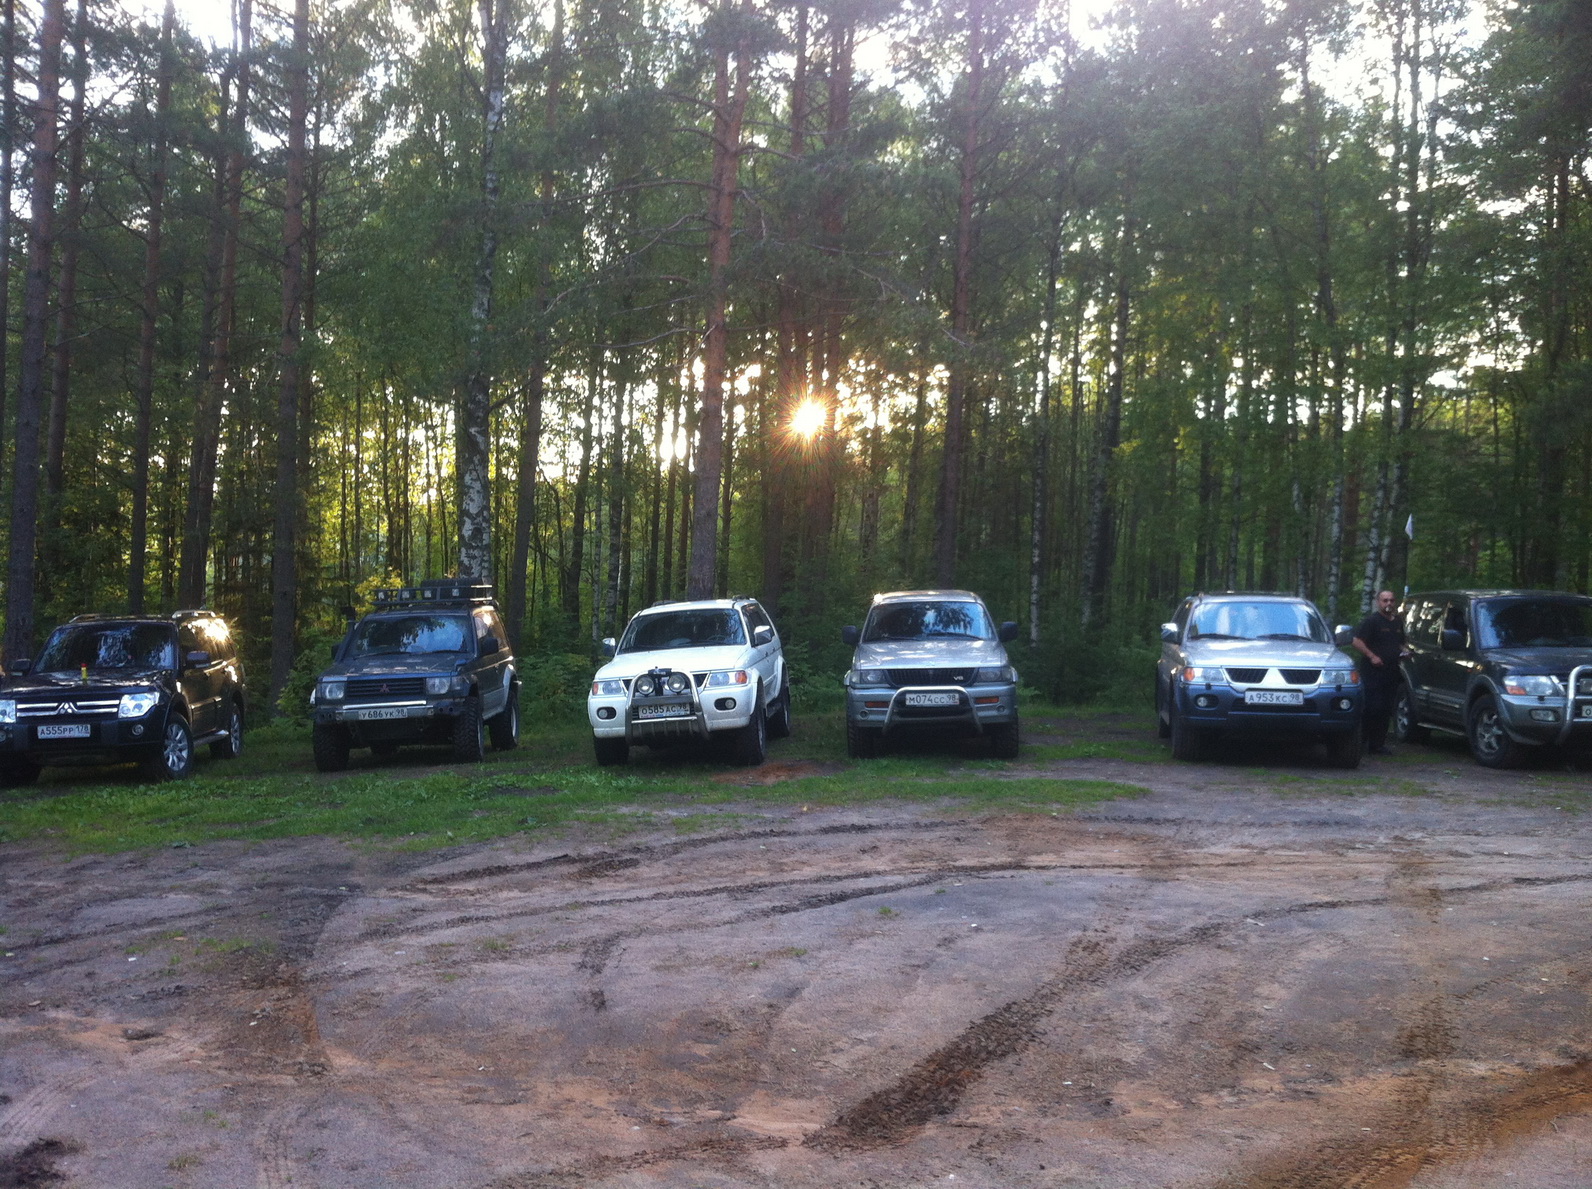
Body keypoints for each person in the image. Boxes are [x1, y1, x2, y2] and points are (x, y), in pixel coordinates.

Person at [1353, 589, 1409, 755]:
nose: (1388, 603)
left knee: (1386, 709)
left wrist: (1405, 652)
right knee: (1372, 707)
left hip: (1391, 672)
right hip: (1373, 673)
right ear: (1378, 602)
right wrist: (1372, 656)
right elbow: (1356, 641)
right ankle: (1361, 742)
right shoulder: (1372, 621)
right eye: (1385, 600)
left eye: (1391, 600)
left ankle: (1378, 745)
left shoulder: (1397, 622)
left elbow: (1400, 643)